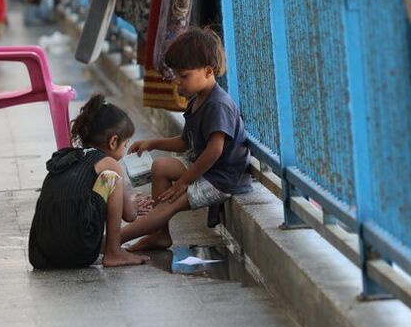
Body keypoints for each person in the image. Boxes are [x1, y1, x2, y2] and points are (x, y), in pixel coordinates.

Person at [122, 28, 252, 251]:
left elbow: (214, 151)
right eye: (175, 76)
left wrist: (184, 183)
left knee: (167, 203)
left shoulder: (217, 105)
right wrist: (153, 143)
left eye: (184, 76)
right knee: (161, 166)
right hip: (206, 170)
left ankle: (112, 240)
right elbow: (185, 142)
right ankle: (159, 235)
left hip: (221, 179)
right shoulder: (199, 98)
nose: (177, 82)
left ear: (208, 71)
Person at [28, 94, 151, 269]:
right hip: (78, 251)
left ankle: (105, 247)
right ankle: (114, 253)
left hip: (41, 254)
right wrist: (132, 203)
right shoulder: (109, 164)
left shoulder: (67, 158)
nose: (125, 148)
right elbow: (129, 215)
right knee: (112, 179)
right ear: (113, 141)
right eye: (125, 144)